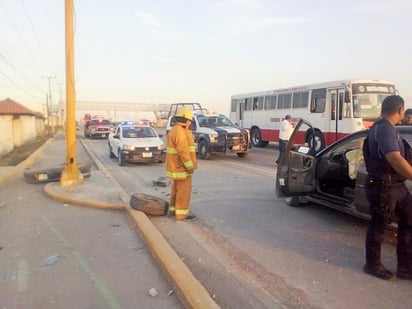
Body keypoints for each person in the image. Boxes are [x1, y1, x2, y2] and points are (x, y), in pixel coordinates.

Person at [363, 94, 412, 280]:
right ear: (400, 110)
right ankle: (372, 264)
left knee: (409, 221)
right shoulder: (383, 128)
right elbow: (395, 158)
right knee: (379, 226)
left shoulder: (390, 128)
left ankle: (406, 267)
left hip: (396, 185)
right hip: (384, 186)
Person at [166, 108, 198, 221]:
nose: (190, 122)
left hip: (175, 167)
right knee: (184, 191)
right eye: (189, 120)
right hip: (181, 168)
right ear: (184, 119)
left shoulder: (175, 130)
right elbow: (183, 152)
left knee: (176, 190)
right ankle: (182, 214)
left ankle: (174, 210)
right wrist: (189, 166)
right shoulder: (181, 132)